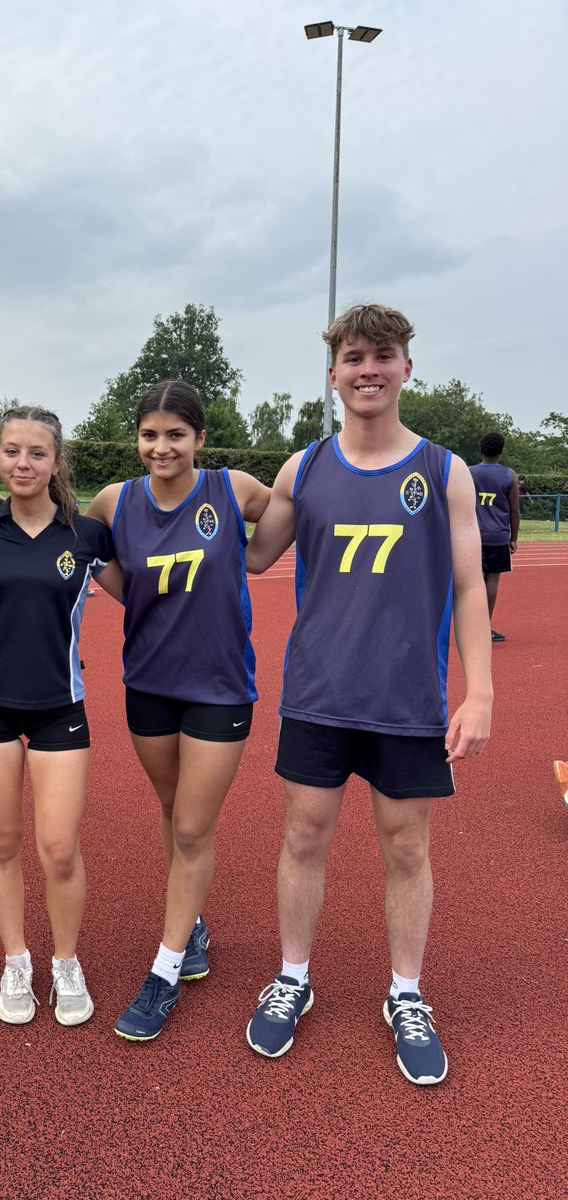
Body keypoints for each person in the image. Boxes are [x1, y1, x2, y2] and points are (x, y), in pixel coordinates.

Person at [244, 303, 492, 1086]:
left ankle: (406, 993)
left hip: (407, 699)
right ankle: (292, 977)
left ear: (407, 368)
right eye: (354, 357)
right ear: (334, 375)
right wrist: (191, 487)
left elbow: (468, 583)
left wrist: (479, 691)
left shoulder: (443, 471)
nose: (368, 369)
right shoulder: (304, 468)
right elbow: (251, 557)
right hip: (318, 693)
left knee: (407, 846)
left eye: (383, 355)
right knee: (304, 837)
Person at [83, 381, 272, 1042]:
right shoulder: (115, 500)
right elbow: (88, 554)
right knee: (170, 808)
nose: (161, 447)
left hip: (220, 686)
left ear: (198, 438)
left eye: (175, 435)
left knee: (192, 826)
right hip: (149, 683)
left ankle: (165, 969)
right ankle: (190, 923)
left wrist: (252, 557)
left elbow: (295, 516)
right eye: (149, 434)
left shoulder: (234, 489)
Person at [0, 407, 120, 1026]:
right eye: (12, 452)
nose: (23, 463)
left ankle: (66, 961)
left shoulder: (89, 535)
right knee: (1, 843)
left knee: (59, 848)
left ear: (57, 462)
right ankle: (17, 959)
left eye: (36, 453)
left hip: (59, 707)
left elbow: (146, 595)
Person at [468, 433, 520, 641]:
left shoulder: (468, 472)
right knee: (492, 580)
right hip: (497, 536)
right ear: (501, 451)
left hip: (472, 535)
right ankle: (484, 628)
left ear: (480, 449)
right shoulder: (509, 475)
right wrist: (513, 538)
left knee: (473, 583)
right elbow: (514, 510)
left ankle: (470, 626)